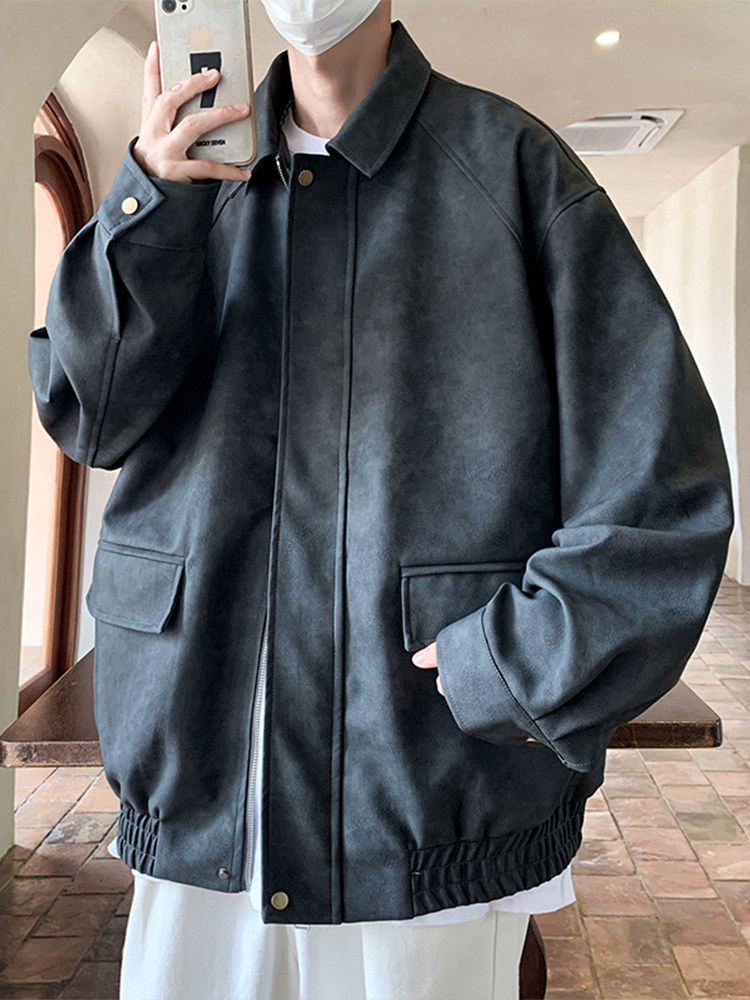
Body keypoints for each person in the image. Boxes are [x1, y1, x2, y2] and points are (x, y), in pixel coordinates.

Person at [27, 1, 734, 998]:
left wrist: (509, 662)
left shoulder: (513, 169)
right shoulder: (183, 179)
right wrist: (149, 204)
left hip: (426, 786)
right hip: (201, 770)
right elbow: (87, 416)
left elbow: (662, 496)